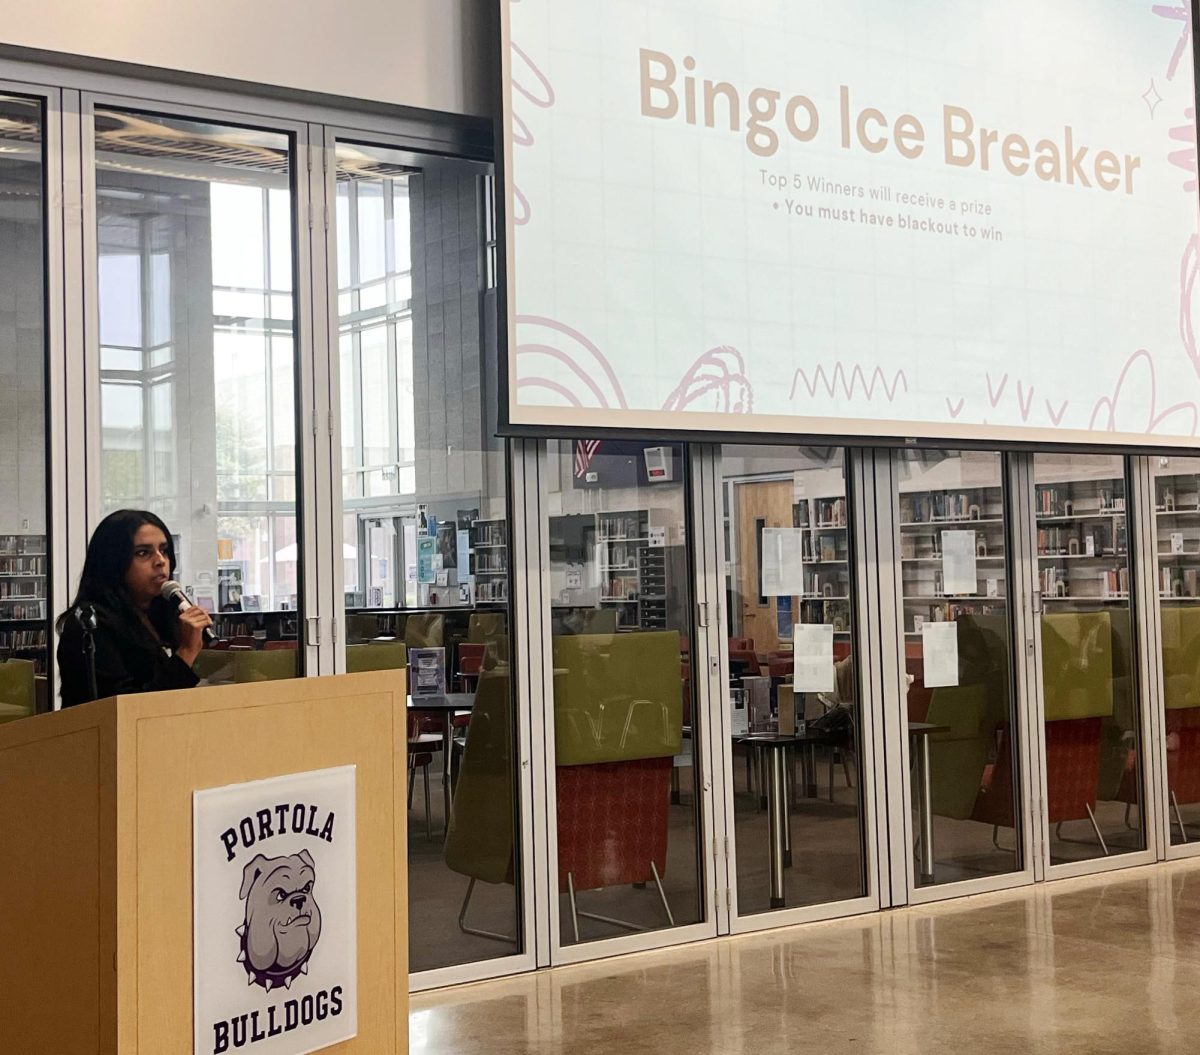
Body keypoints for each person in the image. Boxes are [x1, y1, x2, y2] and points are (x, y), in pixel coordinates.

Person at [56, 509, 213, 708]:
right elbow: (126, 709)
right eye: (143, 553)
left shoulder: (165, 615)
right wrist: (186, 653)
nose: (160, 561)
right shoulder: (89, 623)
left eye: (164, 550)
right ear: (114, 562)